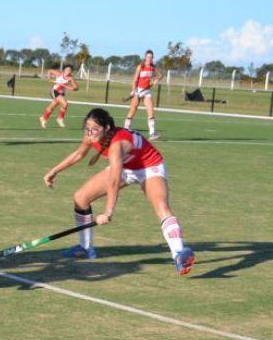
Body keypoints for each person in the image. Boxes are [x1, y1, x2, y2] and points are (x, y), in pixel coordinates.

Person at [42, 107, 195, 275]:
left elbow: (113, 182)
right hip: (125, 167)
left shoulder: (117, 145)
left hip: (149, 166)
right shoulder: (91, 135)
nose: (90, 133)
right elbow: (79, 154)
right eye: (87, 128)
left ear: (107, 128)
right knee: (81, 197)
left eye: (95, 129)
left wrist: (108, 211)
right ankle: (85, 248)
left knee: (162, 207)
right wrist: (54, 170)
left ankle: (179, 254)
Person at [124, 50, 162, 140]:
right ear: (145, 57)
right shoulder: (140, 66)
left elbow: (160, 75)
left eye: (151, 57)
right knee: (133, 110)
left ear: (152, 58)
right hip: (138, 90)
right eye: (148, 57)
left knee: (151, 111)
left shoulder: (153, 67)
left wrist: (156, 80)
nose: (149, 59)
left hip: (147, 91)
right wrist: (133, 90)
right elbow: (135, 80)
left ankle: (152, 133)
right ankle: (125, 129)